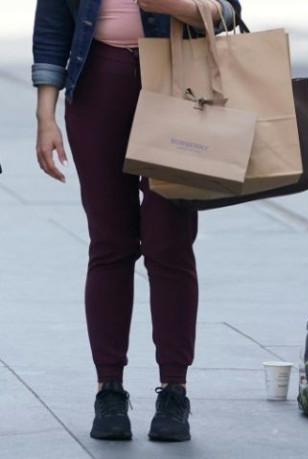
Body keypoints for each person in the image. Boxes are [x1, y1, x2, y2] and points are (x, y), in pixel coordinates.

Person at [32, 0, 241, 442]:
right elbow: (52, 32)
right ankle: (109, 387)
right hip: (97, 88)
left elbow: (227, 10)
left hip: (179, 90)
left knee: (170, 242)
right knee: (109, 243)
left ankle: (174, 390)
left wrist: (174, 6)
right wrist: (45, 116)